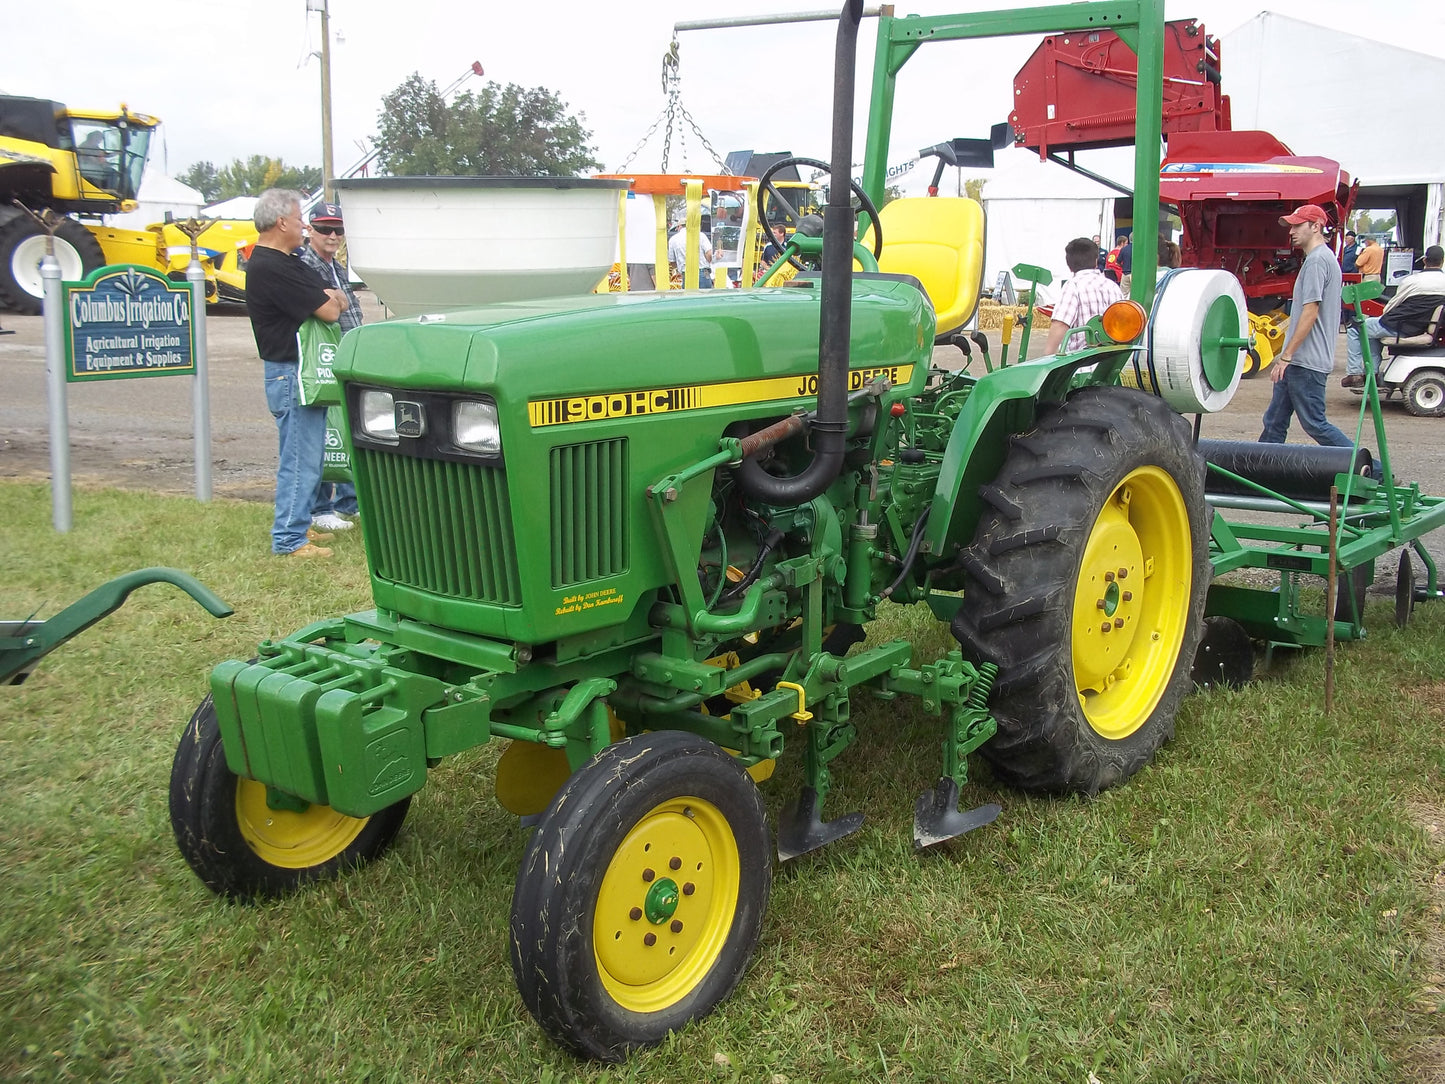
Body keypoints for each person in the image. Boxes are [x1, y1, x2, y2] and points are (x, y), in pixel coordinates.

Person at [246, 188, 349, 558]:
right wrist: (330, 299)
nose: (305, 224)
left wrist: (330, 297)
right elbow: (331, 310)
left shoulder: (287, 261)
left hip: (301, 372)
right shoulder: (270, 266)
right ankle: (289, 540)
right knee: (299, 458)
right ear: (281, 222)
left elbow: (336, 296)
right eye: (299, 217)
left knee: (311, 455)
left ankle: (299, 522)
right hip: (290, 374)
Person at [1258, 205, 1351, 447]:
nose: (1291, 231)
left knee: (1314, 424)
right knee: (1274, 422)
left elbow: (1311, 310)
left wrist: (1286, 356)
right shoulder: (1321, 258)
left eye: (1297, 225)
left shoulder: (1317, 261)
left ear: (1316, 226)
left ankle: (1371, 470)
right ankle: (1259, 473)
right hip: (1300, 361)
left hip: (1304, 362)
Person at [299, 202, 361, 533]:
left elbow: (345, 303)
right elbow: (330, 310)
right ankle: (320, 506)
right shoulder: (306, 264)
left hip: (346, 351)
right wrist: (337, 299)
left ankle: (349, 501)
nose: (333, 235)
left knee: (348, 429)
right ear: (310, 230)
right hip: (323, 357)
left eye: (338, 228)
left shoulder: (335, 265)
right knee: (324, 433)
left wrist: (338, 297)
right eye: (325, 229)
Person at [1342, 244, 1445, 388]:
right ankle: (1371, 374)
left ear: (1425, 261)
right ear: (1442, 261)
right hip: (1420, 327)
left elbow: (1391, 306)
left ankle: (1354, 373)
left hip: (1398, 326)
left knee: (1355, 327)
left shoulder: (1412, 281)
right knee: (1371, 331)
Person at [1043, 237, 1123, 354]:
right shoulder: (1113, 287)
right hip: (1109, 364)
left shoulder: (1073, 286)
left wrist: (1047, 357)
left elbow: (1060, 324)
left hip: (1081, 366)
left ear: (1069, 265)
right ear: (1096, 261)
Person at [667, 215, 714, 288]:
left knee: (689, 297)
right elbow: (709, 255)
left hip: (685, 274)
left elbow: (672, 262)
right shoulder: (701, 235)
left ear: (679, 226)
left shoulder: (673, 239)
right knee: (705, 297)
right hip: (704, 272)